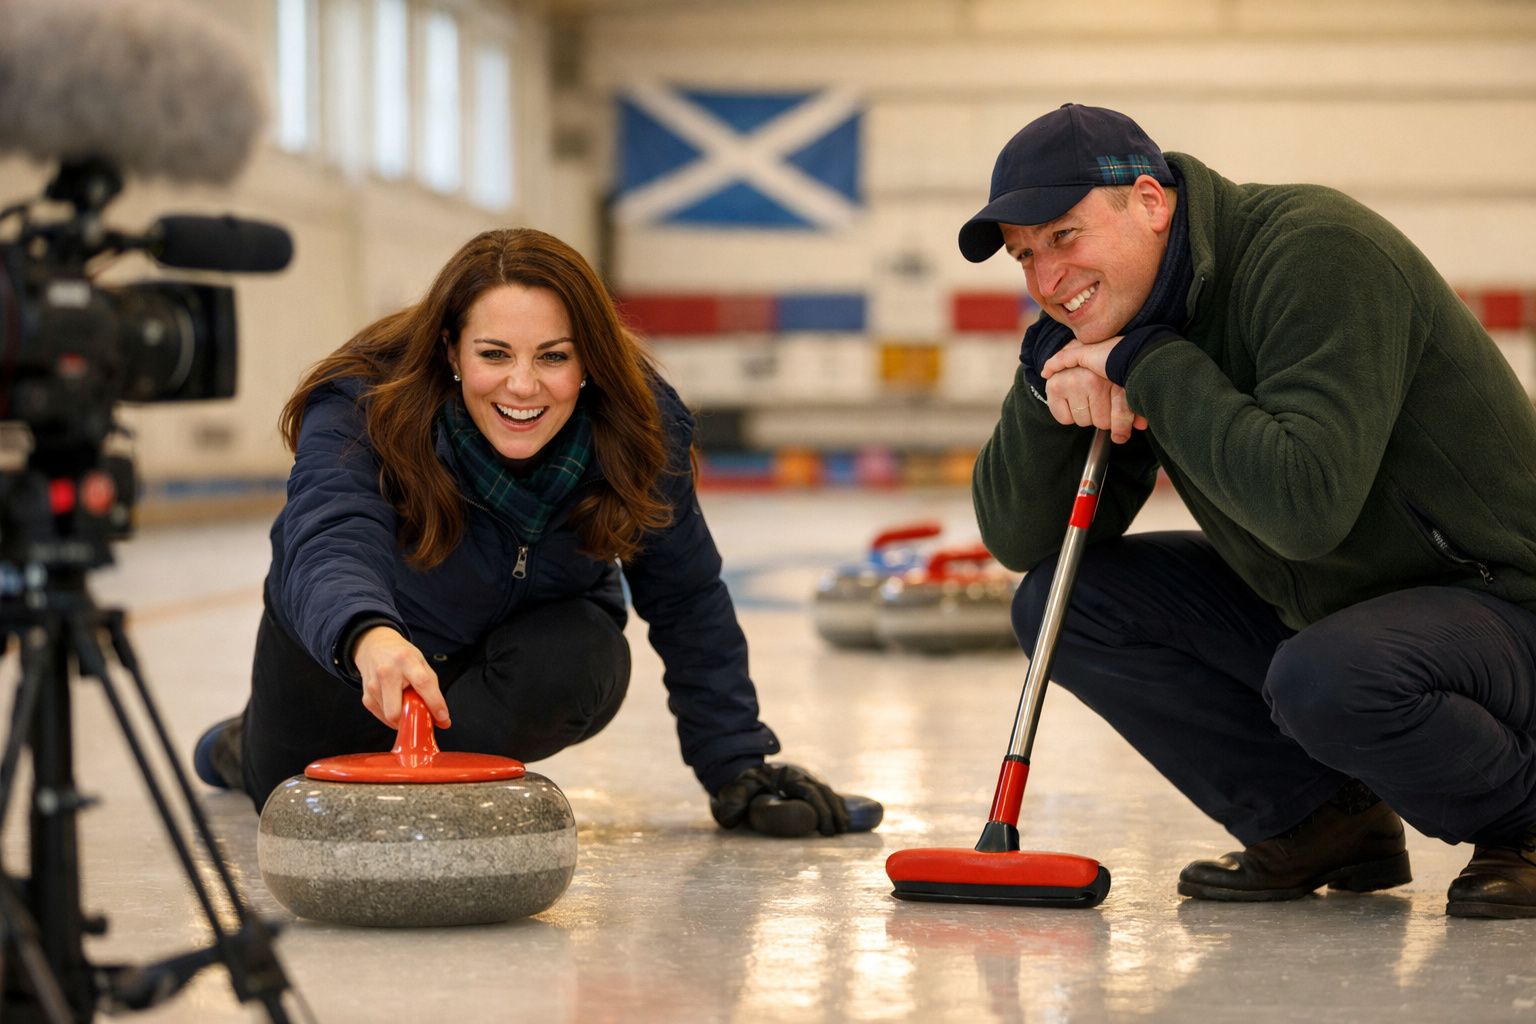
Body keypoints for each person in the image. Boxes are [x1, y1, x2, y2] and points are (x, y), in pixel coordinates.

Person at [959, 103, 1536, 917]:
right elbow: (1022, 539)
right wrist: (1045, 379)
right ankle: (1318, 822)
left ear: (1151, 203)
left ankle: (1526, 821)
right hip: (1345, 613)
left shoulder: (1317, 253)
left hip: (1505, 610)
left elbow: (1306, 508)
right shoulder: (1139, 312)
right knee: (1067, 602)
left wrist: (1151, 364)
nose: (1046, 281)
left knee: (1333, 676)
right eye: (1024, 257)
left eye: (1063, 236)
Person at [193, 227, 878, 839]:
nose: (523, 386)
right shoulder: (364, 401)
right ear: (451, 351)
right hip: (356, 654)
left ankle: (434, 768)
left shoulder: (638, 422)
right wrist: (366, 634)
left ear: (588, 363)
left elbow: (685, 594)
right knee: (291, 794)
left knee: (577, 664)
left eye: (553, 356)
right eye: (495, 354)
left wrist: (737, 765)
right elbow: (327, 534)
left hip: (510, 661)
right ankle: (241, 742)